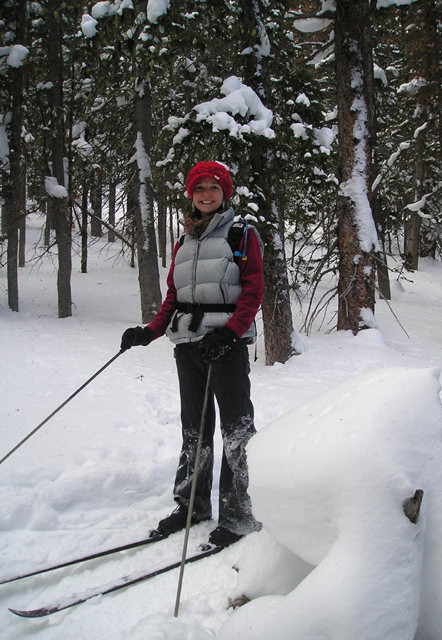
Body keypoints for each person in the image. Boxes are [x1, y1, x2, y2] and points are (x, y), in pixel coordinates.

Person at [121, 161, 263, 548]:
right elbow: (174, 296)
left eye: (213, 188)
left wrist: (231, 333)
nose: (206, 194)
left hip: (226, 347)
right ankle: (192, 505)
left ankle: (238, 515)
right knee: (193, 430)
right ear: (191, 194)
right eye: (199, 188)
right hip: (188, 347)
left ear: (225, 193)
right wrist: (148, 331)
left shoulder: (241, 233)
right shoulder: (184, 242)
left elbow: (253, 291)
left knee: (236, 430)